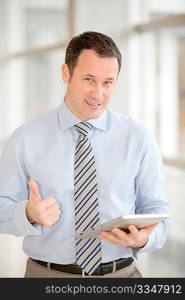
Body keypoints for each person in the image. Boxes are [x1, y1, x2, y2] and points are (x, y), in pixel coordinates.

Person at [0, 31, 170, 278]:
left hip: (122, 275)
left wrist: (145, 238)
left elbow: (158, 213)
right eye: (89, 79)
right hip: (48, 276)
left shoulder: (138, 138)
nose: (98, 93)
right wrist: (28, 213)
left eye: (108, 82)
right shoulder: (25, 139)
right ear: (66, 73)